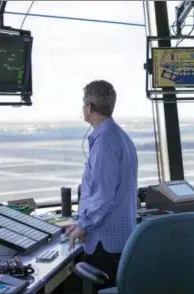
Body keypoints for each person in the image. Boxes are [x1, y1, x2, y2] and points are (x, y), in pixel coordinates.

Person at [64, 80, 138, 293]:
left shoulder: (105, 143)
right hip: (120, 240)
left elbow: (102, 196)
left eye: (83, 104)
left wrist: (83, 226)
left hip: (105, 243)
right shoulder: (121, 137)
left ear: (90, 107)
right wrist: (80, 222)